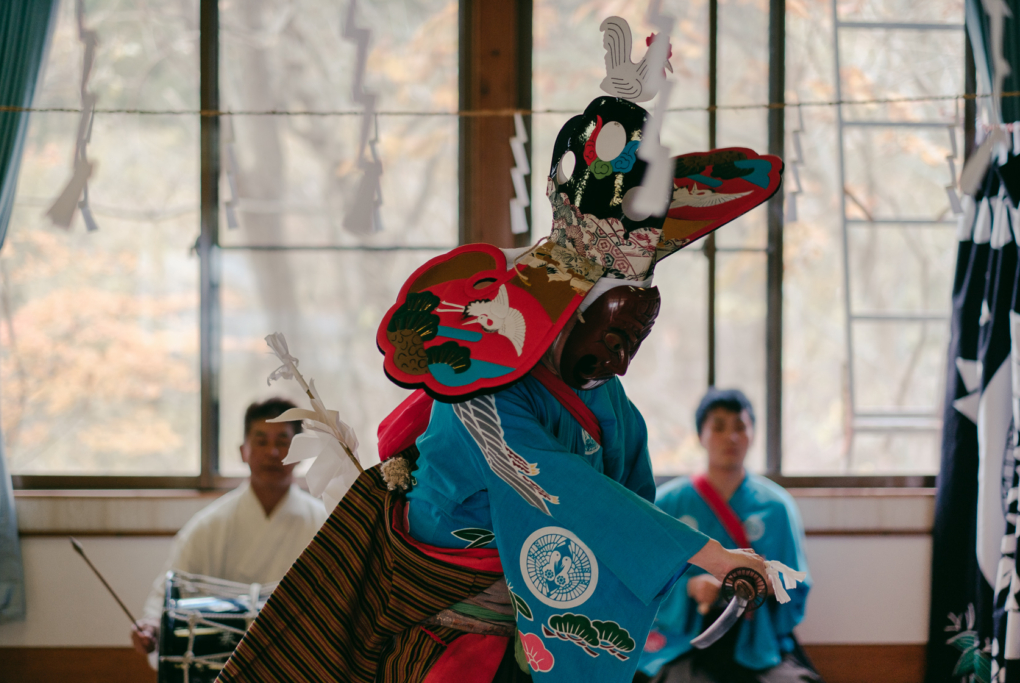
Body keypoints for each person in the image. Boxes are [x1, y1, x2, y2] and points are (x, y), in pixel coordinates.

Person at [219, 89, 785, 682]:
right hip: (449, 625)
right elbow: (560, 486)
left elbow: (632, 504)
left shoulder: (613, 405)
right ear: (570, 315)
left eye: (635, 343)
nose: (620, 363)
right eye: (613, 337)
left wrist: (693, 566)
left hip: (535, 617)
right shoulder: (481, 390)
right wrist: (713, 555)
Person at [635, 389, 819, 683]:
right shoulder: (669, 503)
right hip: (683, 641)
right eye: (718, 427)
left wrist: (767, 584)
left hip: (757, 639)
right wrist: (691, 588)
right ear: (701, 435)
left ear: (752, 434)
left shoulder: (777, 506)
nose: (730, 437)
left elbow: (796, 582)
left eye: (740, 427)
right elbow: (643, 578)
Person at [130, 397, 328, 661]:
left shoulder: (323, 523)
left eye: (282, 442)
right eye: (261, 441)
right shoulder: (210, 524)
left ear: (299, 453)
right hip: (221, 658)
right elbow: (172, 586)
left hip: (300, 657)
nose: (272, 452)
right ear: (242, 451)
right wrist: (152, 625)